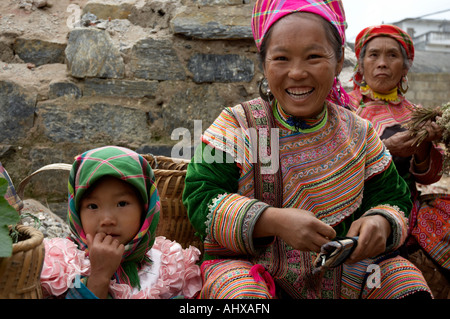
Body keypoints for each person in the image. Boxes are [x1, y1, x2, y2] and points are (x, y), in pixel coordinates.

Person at [182, 0, 433, 299]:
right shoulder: (237, 126)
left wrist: (381, 221)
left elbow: (393, 196)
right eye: (281, 58)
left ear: (339, 62)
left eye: (314, 57)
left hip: (343, 271)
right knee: (242, 295)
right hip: (250, 268)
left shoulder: (359, 133)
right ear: (264, 64)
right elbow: (201, 196)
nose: (297, 72)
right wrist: (271, 220)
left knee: (402, 280)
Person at [348, 24, 450, 297]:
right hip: (349, 206)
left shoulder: (416, 114)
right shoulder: (343, 107)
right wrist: (387, 149)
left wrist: (421, 149)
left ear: (405, 68)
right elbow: (328, 160)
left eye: (392, 56)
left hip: (405, 205)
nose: (382, 63)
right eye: (373, 55)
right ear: (361, 64)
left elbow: (429, 177)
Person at [40, 146, 202, 299]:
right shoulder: (65, 267)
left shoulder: (167, 267)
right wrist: (99, 276)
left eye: (122, 204)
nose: (107, 220)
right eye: (93, 206)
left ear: (145, 209)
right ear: (76, 212)